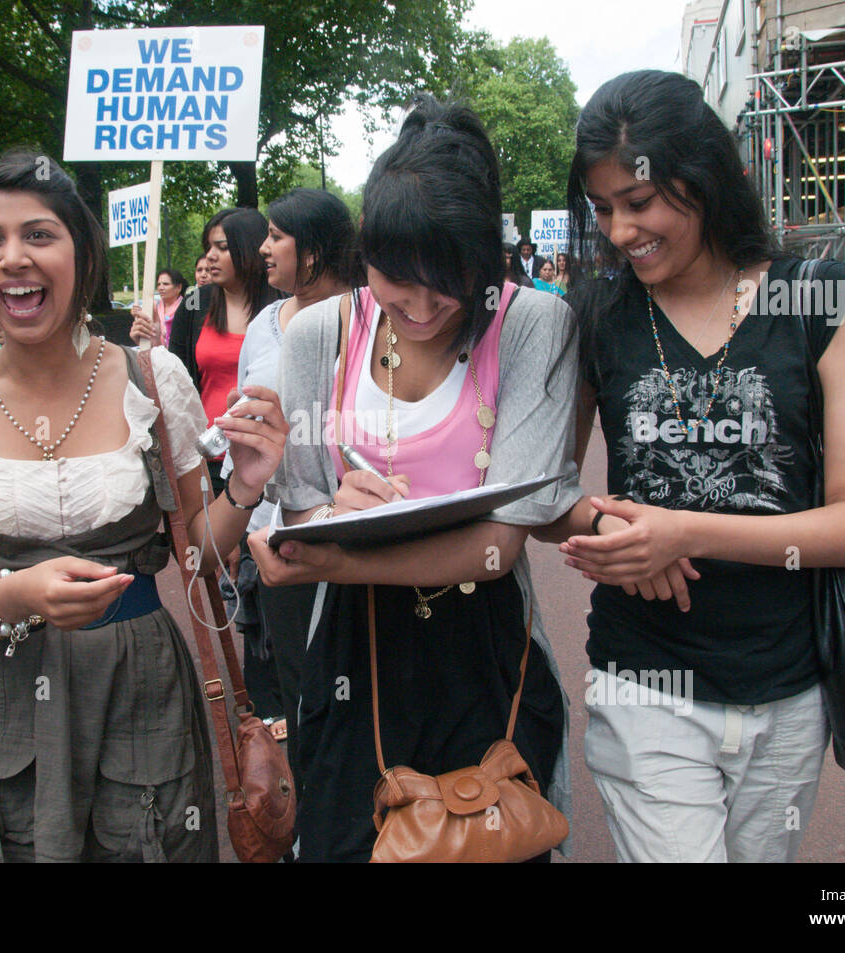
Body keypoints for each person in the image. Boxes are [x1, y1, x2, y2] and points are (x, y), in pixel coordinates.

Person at [248, 96, 614, 862]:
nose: (418, 308)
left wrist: (340, 554)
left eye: (446, 282)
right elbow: (304, 517)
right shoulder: (320, 333)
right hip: (354, 651)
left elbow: (500, 546)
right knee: (350, 838)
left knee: (499, 834)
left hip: (484, 646)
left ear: (485, 258)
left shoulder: (531, 325)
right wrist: (316, 519)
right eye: (394, 279)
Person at [542, 69, 845, 863]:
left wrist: (682, 532)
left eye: (641, 203)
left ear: (702, 180)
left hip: (790, 689)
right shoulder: (597, 313)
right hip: (645, 684)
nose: (622, 231)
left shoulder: (825, 301)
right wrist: (619, 526)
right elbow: (546, 493)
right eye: (603, 210)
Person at [0, 151, 288, 863]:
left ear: (83, 253)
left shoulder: (152, 377)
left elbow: (198, 551)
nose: (13, 258)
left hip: (140, 691)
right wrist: (16, 593)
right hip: (4, 698)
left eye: (39, 235)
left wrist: (246, 485)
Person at [218, 188, 363, 786]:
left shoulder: (369, 317)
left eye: (278, 235)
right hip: (271, 537)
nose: (264, 247)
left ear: (316, 250)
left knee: (351, 694)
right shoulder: (262, 323)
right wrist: (237, 508)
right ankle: (305, 826)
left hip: (351, 535)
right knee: (294, 693)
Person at [164, 208, 281, 494]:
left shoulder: (284, 307)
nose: (210, 257)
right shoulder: (193, 307)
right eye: (208, 248)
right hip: (208, 456)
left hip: (267, 455)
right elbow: (178, 383)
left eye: (223, 247)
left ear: (252, 249)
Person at [127, 268, 188, 347]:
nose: (161, 288)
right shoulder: (154, 307)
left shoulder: (186, 309)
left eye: (166, 284)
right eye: (159, 284)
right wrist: (139, 315)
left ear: (179, 287)